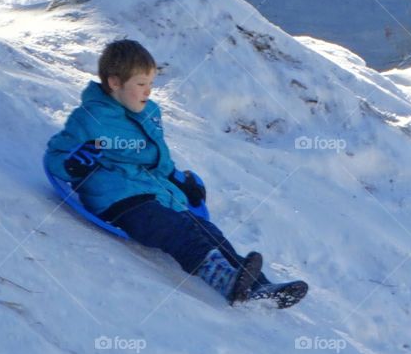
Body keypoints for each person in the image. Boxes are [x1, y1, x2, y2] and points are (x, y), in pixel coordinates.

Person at [44, 38, 306, 307]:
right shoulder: (90, 118)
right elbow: (55, 157)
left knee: (206, 229)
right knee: (177, 232)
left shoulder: (148, 113)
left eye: (151, 84)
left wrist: (180, 181)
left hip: (154, 192)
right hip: (118, 199)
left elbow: (160, 160)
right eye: (140, 84)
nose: (147, 92)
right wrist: (75, 163)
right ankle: (225, 280)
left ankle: (260, 286)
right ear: (114, 83)